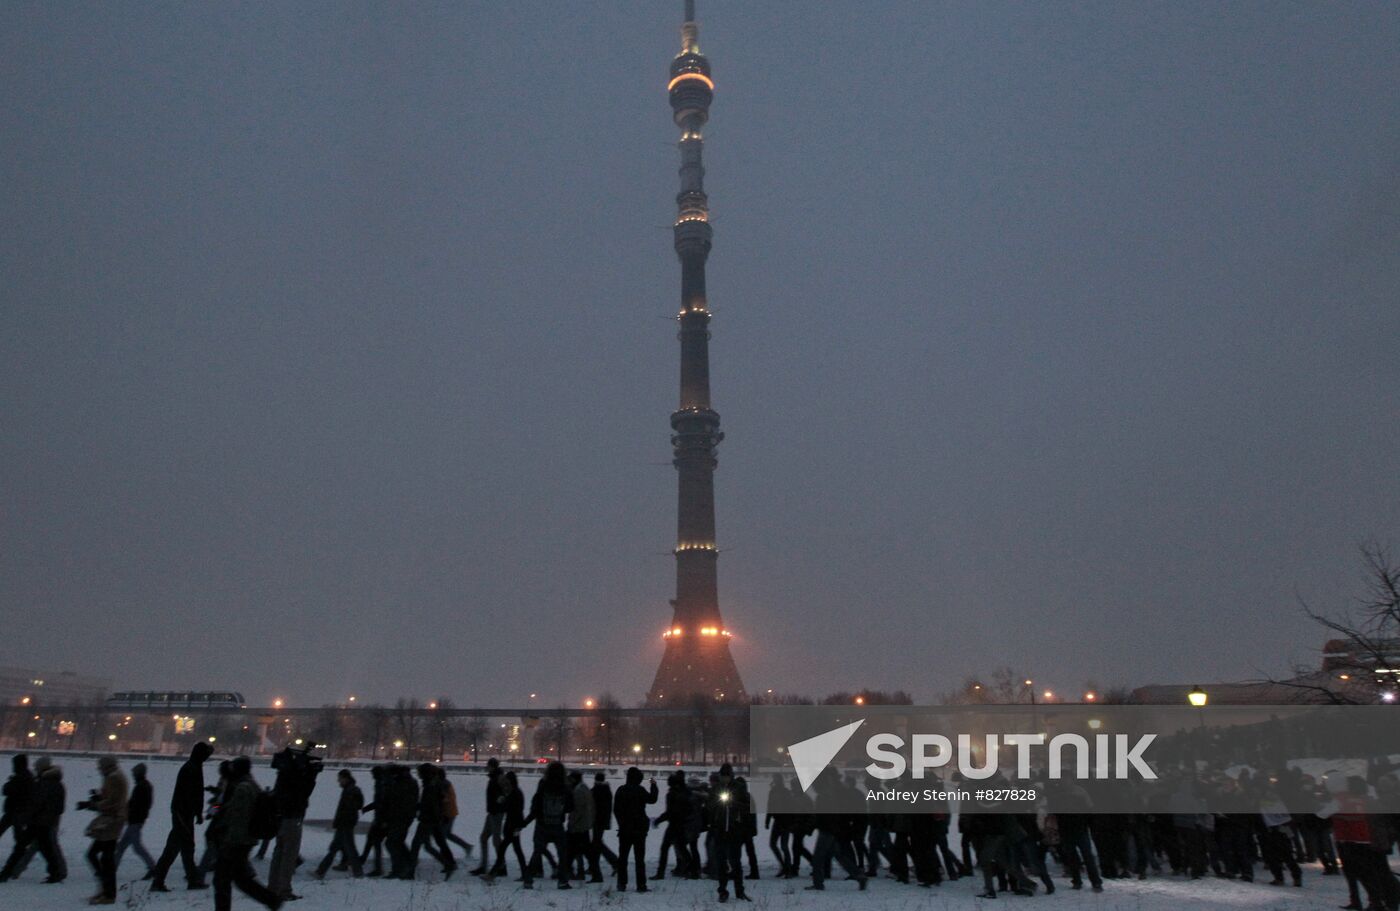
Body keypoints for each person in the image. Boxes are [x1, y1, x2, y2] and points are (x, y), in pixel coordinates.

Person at [208, 756, 281, 911]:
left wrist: (229, 840)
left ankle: (271, 899)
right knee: (236, 878)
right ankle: (270, 899)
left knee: (225, 879)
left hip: (237, 841)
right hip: (244, 840)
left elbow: (238, 818)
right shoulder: (250, 784)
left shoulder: (242, 788)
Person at [151, 741, 213, 892]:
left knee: (175, 848)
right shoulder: (192, 768)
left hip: (183, 813)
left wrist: (196, 813)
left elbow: (194, 794)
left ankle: (160, 880)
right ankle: (190, 880)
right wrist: (195, 813)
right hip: (183, 814)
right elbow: (192, 795)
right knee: (184, 848)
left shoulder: (193, 767)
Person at [267, 745, 323, 901]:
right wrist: (311, 775)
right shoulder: (296, 776)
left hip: (281, 816)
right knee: (289, 855)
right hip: (293, 818)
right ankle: (284, 890)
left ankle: (273, 886)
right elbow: (304, 792)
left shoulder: (284, 773)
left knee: (279, 853)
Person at [0, 755, 66, 883]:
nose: (35, 770)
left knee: (23, 847)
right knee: (45, 848)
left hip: (38, 822)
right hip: (43, 822)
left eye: (37, 768)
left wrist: (27, 817)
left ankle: (6, 873)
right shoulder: (53, 783)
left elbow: (36, 803)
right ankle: (55, 873)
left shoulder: (45, 783)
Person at [81, 755, 128, 906]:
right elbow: (111, 797)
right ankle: (105, 889)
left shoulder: (114, 778)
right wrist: (97, 798)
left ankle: (108, 893)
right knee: (101, 857)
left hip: (111, 822)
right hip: (111, 821)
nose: (98, 769)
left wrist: (93, 805)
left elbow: (113, 802)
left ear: (106, 766)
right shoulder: (113, 776)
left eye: (100, 766)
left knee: (102, 858)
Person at [522, 760, 573, 890]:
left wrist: (526, 822)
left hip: (542, 824)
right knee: (562, 854)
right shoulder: (565, 786)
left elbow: (536, 805)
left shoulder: (543, 784)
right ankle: (562, 881)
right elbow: (570, 807)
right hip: (557, 825)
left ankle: (528, 879)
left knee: (537, 852)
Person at [707, 763, 751, 902]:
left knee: (736, 863)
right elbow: (709, 805)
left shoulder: (739, 788)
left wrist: (734, 804)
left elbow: (747, 806)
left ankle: (739, 891)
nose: (725, 779)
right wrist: (717, 807)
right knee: (721, 863)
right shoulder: (716, 788)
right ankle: (722, 890)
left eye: (727, 776)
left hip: (734, 830)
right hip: (720, 830)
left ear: (731, 776)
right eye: (723, 776)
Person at [612, 767, 657, 892]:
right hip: (639, 830)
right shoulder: (640, 790)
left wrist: (622, 823)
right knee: (639, 859)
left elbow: (616, 810)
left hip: (625, 829)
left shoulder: (621, 790)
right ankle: (641, 885)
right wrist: (653, 786)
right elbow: (653, 799)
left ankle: (621, 884)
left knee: (623, 858)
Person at [315, 770, 363, 879]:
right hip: (345, 823)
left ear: (345, 778)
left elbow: (349, 808)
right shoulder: (351, 790)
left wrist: (341, 821)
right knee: (337, 848)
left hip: (345, 824)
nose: (338, 781)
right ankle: (321, 871)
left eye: (340, 779)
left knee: (347, 848)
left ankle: (321, 871)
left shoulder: (350, 791)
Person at [409, 764, 455, 878]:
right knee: (440, 843)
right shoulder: (434, 784)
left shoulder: (430, 786)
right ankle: (449, 864)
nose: (418, 774)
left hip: (428, 819)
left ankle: (410, 872)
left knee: (416, 845)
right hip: (434, 819)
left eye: (419, 772)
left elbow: (431, 803)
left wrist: (420, 809)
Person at [487, 771, 529, 880]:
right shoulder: (516, 792)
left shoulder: (514, 793)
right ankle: (525, 874)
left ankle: (493, 873)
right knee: (515, 850)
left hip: (513, 825)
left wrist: (503, 801)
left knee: (505, 849)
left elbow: (512, 808)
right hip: (514, 825)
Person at [115, 762, 155, 877]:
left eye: (134, 774)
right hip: (136, 820)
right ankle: (111, 869)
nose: (133, 776)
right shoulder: (144, 786)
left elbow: (136, 804)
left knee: (135, 847)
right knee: (123, 846)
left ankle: (153, 867)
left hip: (135, 821)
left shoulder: (141, 787)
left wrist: (128, 813)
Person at [0, 755, 36, 882]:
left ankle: (10, 869)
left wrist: (10, 782)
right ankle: (12, 868)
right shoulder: (27, 777)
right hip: (18, 813)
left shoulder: (20, 777)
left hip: (15, 813)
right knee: (20, 842)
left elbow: (6, 790)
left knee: (20, 843)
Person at [653, 771, 692, 880]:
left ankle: (660, 872)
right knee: (682, 848)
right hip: (683, 823)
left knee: (665, 848)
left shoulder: (671, 794)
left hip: (674, 825)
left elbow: (670, 812)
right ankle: (691, 868)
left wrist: (658, 820)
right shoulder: (686, 792)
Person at [469, 758, 502, 876]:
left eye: (488, 766)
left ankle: (500, 865)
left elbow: (503, 794)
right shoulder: (495, 778)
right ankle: (486, 865)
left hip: (496, 813)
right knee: (485, 838)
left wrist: (498, 804)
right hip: (492, 812)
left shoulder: (497, 779)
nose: (487, 767)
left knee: (495, 840)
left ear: (492, 767)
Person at [589, 771, 618, 883]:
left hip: (597, 820)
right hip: (602, 820)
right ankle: (613, 863)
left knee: (597, 843)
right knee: (597, 843)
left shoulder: (596, 791)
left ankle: (614, 862)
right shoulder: (606, 790)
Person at [359, 766, 388, 876]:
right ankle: (364, 859)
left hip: (381, 819)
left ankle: (378, 868)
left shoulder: (381, 785)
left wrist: (366, 809)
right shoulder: (383, 783)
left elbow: (380, 803)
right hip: (380, 818)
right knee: (371, 839)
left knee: (375, 842)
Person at [565, 771, 593, 880]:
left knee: (573, 850)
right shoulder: (584, 789)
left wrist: (572, 824)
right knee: (580, 850)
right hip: (583, 824)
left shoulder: (578, 792)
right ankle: (581, 870)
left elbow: (577, 810)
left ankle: (572, 871)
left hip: (578, 826)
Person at [439, 772, 473, 858]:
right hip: (451, 812)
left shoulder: (443, 785)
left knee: (442, 836)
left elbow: (445, 800)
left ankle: (445, 856)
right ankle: (466, 846)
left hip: (448, 813)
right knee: (447, 834)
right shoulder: (446, 784)